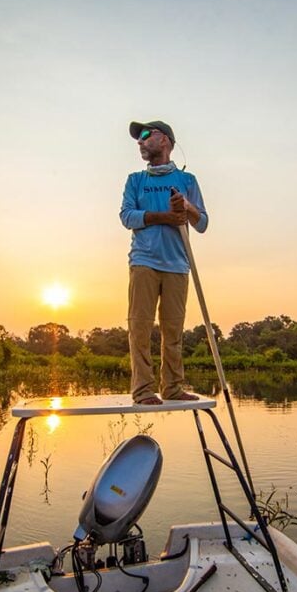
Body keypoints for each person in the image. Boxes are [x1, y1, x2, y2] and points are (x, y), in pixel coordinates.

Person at [119, 120, 209, 405]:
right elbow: (127, 217)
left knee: (173, 329)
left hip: (178, 264)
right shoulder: (136, 180)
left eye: (146, 135)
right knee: (140, 327)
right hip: (144, 260)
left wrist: (186, 207)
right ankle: (143, 390)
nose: (140, 142)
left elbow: (203, 223)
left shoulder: (188, 181)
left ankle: (172, 387)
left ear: (165, 140)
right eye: (138, 138)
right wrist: (163, 217)